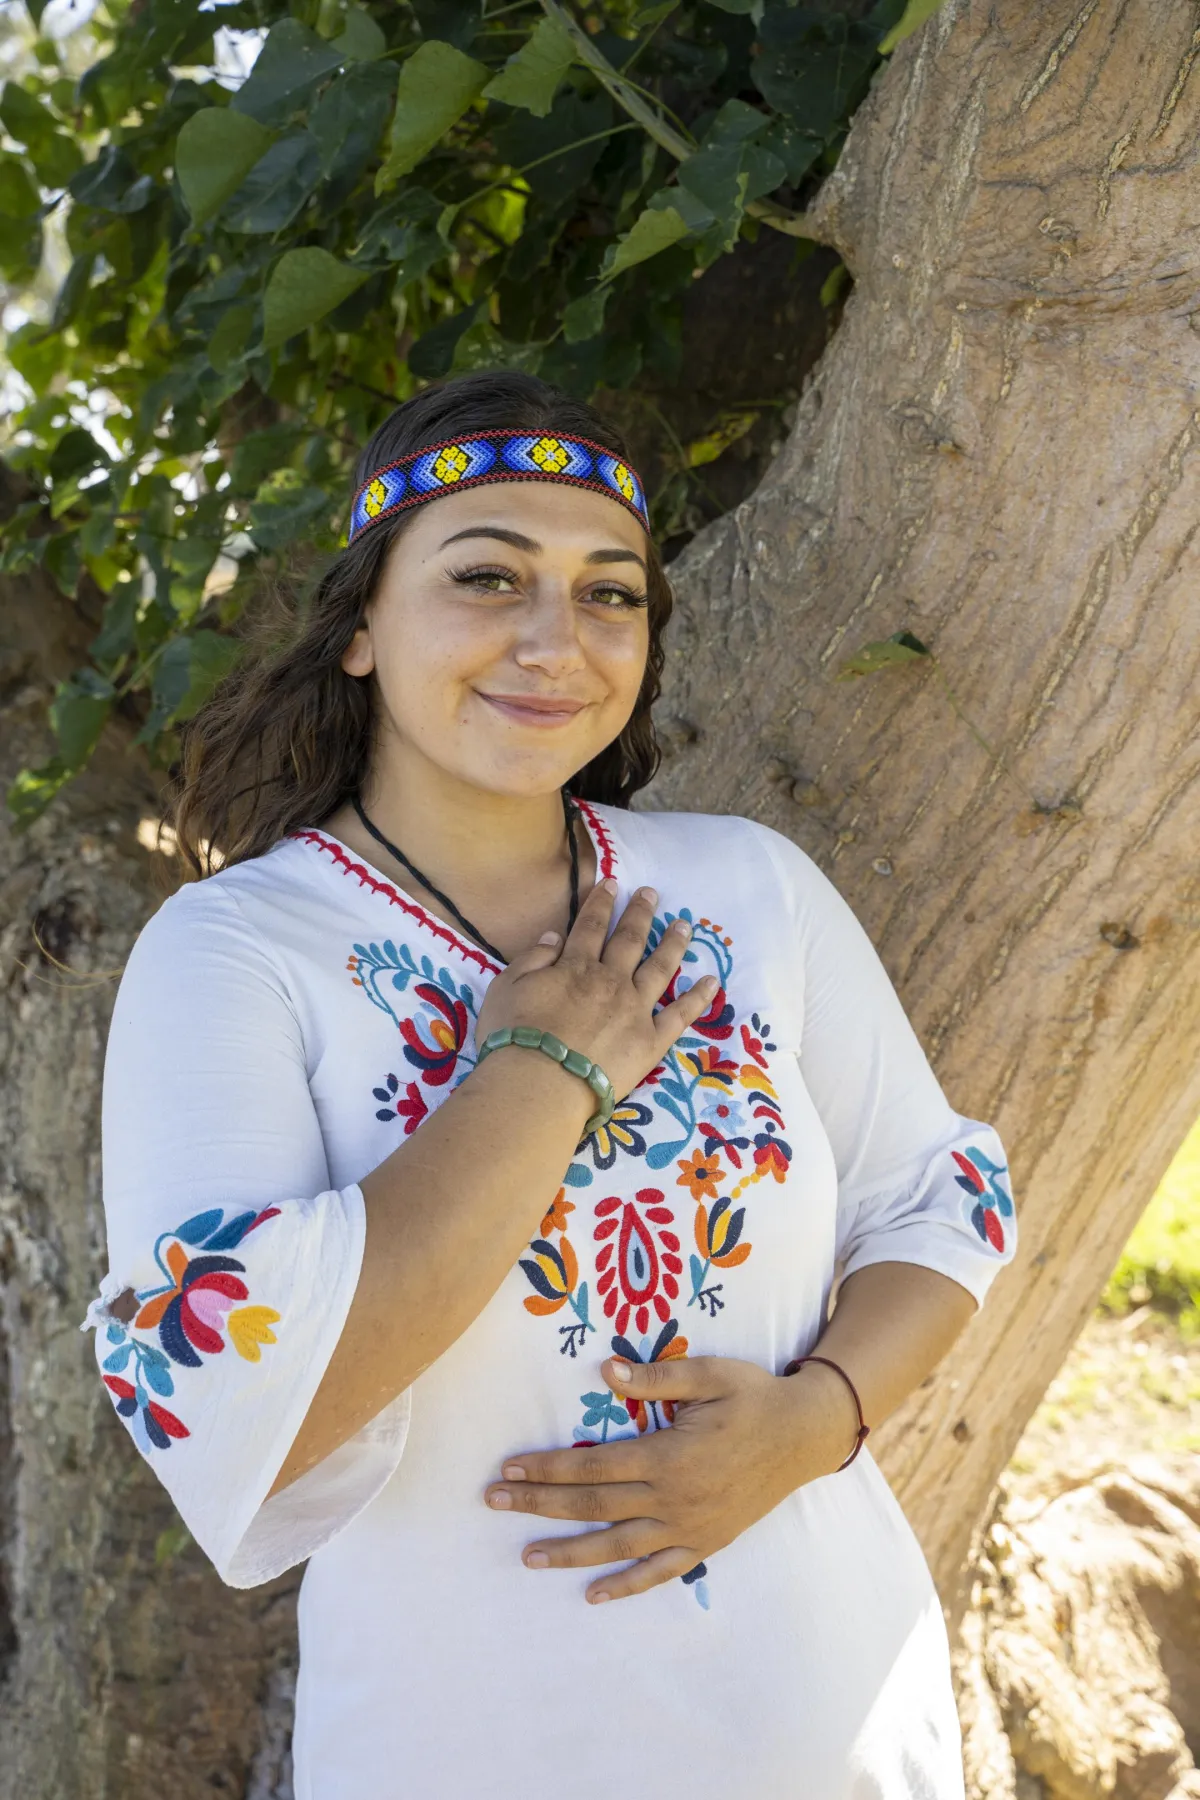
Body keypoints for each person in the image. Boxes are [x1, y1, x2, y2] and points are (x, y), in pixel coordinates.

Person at [84, 371, 1017, 1799]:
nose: (554, 639)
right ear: (357, 628)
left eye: (609, 594)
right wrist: (542, 1064)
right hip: (480, 1742)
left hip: (841, 1717)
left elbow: (940, 1200)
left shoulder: (748, 887)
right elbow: (237, 1389)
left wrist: (813, 1421)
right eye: (487, 577)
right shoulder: (232, 954)